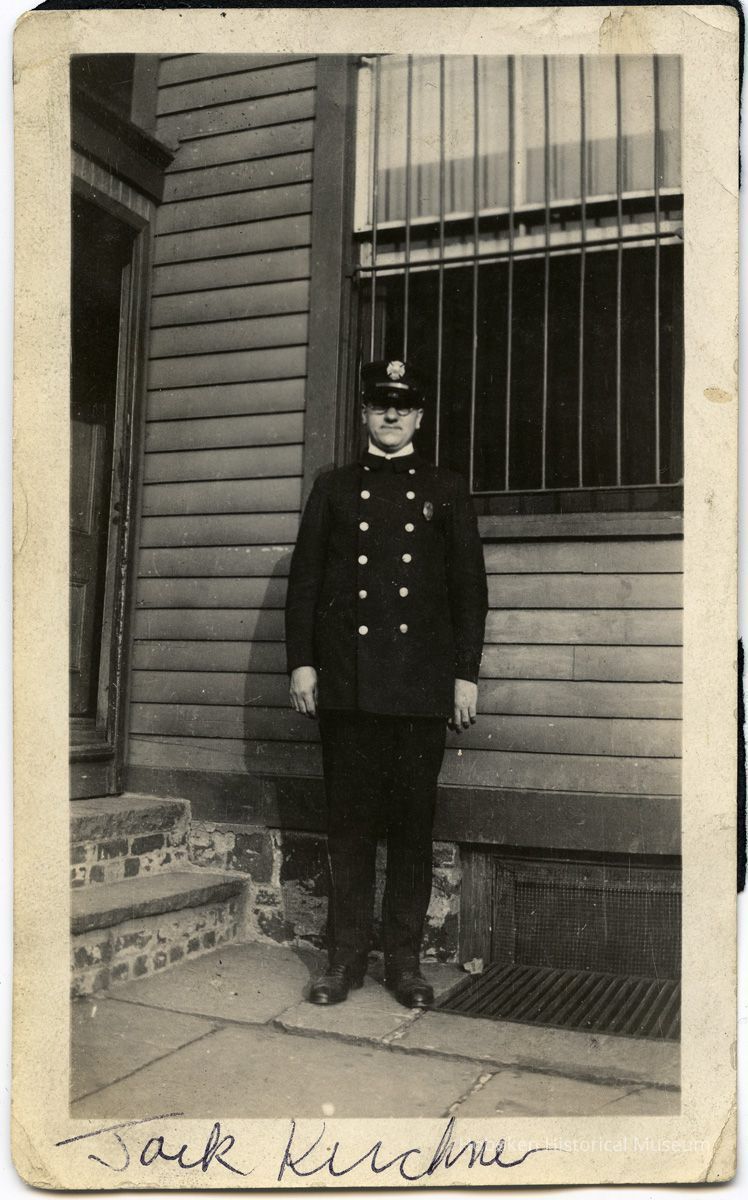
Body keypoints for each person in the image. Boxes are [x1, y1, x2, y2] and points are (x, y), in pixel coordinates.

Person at [285, 359, 488, 1008]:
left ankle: (403, 964)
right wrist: (303, 663)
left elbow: (468, 591)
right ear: (365, 415)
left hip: (420, 691)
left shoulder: (447, 488)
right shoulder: (335, 488)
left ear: (420, 418)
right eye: (380, 406)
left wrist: (464, 675)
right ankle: (342, 962)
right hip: (349, 687)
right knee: (348, 830)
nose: (392, 416)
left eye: (403, 407)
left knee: (410, 830)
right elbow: (306, 584)